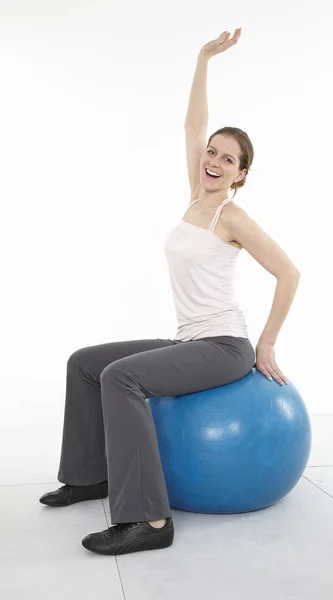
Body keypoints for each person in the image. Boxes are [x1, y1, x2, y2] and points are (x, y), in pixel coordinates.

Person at [39, 28, 300, 556]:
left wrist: (266, 344)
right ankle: (92, 477)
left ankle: (150, 521)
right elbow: (193, 123)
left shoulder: (233, 216)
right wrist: (204, 58)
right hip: (190, 343)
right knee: (85, 362)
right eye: (212, 153)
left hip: (225, 348)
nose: (214, 161)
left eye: (228, 160)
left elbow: (289, 273)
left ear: (241, 174)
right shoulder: (193, 198)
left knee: (121, 377)